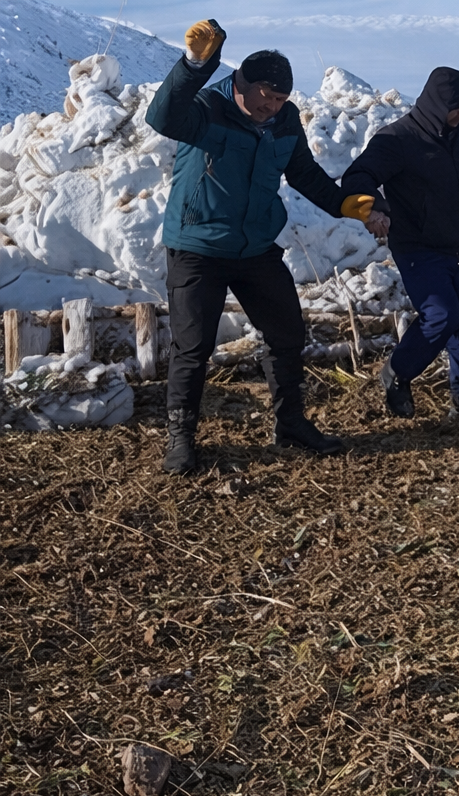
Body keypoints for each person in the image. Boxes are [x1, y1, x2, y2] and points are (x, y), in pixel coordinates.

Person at [146, 19, 385, 475]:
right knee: (193, 348)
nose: (272, 108)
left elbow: (304, 173)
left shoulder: (283, 118)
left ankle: (291, 423)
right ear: (242, 85)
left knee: (287, 334)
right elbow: (162, 116)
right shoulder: (207, 107)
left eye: (280, 100)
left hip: (255, 246)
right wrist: (195, 64)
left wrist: (346, 205)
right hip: (198, 245)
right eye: (266, 98)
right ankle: (181, 438)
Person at [340, 67, 459, 423]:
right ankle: (397, 373)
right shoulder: (397, 139)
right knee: (442, 316)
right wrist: (372, 208)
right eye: (456, 107)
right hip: (418, 249)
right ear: (436, 104)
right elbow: (358, 176)